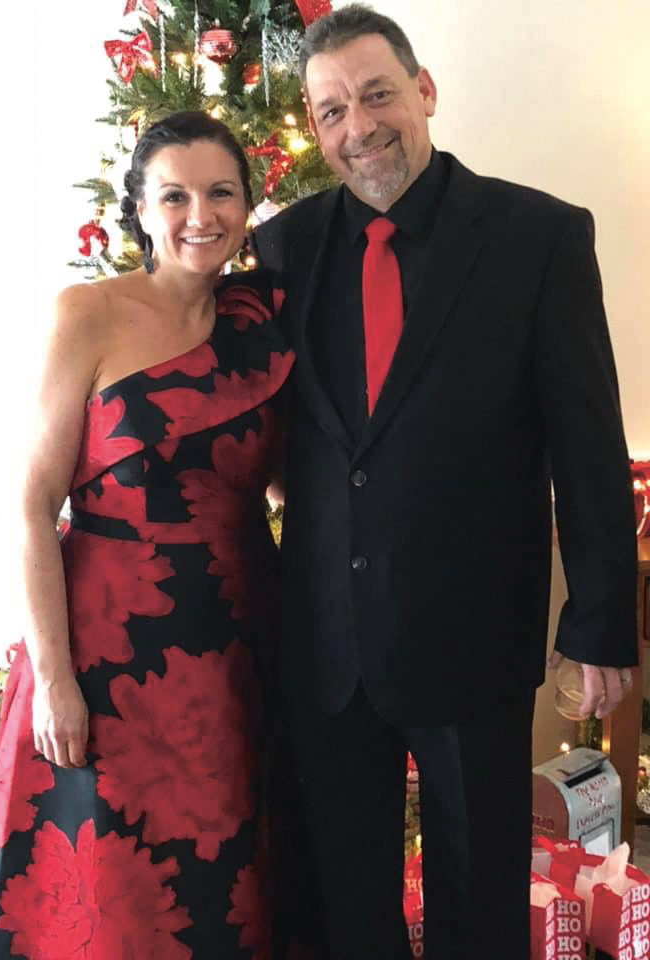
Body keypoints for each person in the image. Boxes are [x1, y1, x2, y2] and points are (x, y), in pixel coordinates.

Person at [252, 6, 638, 959]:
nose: (359, 126)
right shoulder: (284, 250)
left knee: (478, 896)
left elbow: (587, 442)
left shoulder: (537, 236)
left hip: (470, 637)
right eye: (331, 108)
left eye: (377, 94)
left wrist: (597, 621)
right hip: (326, 644)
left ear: (424, 91)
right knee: (347, 898)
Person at [0, 111, 293, 960]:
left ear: (248, 205)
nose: (202, 215)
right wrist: (54, 681)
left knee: (221, 876)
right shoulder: (88, 313)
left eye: (222, 192)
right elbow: (31, 504)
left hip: (233, 650)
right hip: (107, 653)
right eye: (175, 195)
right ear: (141, 210)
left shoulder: (264, 324)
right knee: (114, 887)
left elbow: (300, 484)